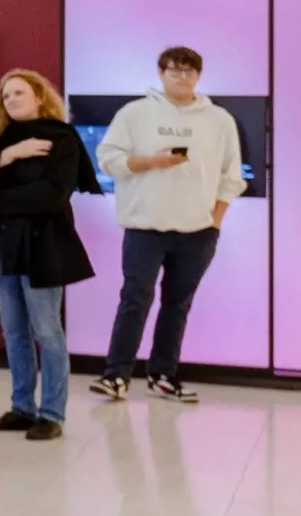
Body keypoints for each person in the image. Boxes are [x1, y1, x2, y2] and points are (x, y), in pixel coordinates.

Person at [92, 46, 243, 404]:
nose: (182, 76)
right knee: (135, 298)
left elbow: (232, 175)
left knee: (178, 303)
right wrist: (151, 162)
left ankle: (163, 374)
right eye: (174, 70)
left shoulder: (219, 119)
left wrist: (215, 220)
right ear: (161, 73)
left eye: (189, 71)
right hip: (145, 227)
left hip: (198, 231)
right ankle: (116, 375)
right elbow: (108, 159)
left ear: (199, 76)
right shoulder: (135, 113)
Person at [0, 70, 97, 439]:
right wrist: (8, 156)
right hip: (0, 245)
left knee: (47, 330)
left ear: (40, 96)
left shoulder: (63, 138)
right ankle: (22, 407)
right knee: (13, 330)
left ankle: (52, 414)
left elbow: (53, 195)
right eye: (5, 95)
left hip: (43, 243)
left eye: (18, 93)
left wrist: (0, 195)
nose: (10, 100)